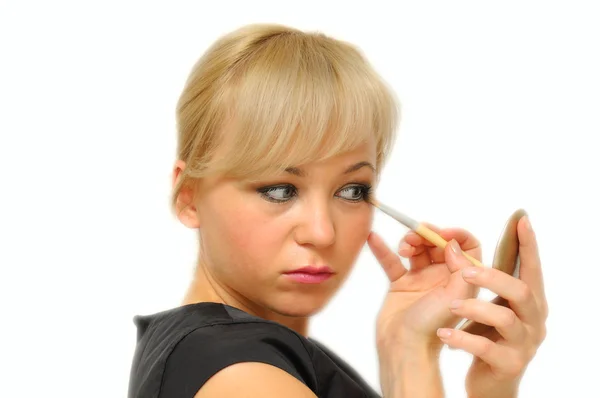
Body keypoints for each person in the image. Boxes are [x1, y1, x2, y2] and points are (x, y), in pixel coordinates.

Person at [127, 23, 548, 398]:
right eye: (278, 189)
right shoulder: (240, 377)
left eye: (351, 190)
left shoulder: (224, 352)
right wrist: (412, 361)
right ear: (189, 196)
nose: (322, 232)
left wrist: (411, 347)